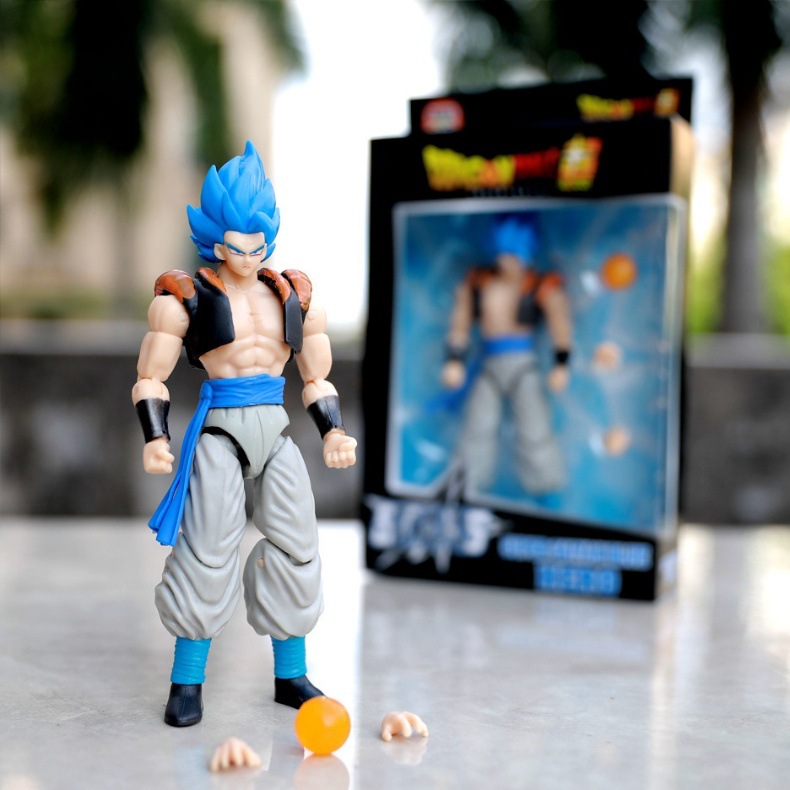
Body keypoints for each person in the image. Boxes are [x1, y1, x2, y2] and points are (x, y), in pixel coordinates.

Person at [132, 141, 357, 727]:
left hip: (275, 431)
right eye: (239, 244)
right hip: (221, 435)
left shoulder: (293, 296)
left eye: (260, 243)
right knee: (208, 552)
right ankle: (187, 681)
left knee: (298, 545)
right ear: (215, 240)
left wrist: (332, 432)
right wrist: (155, 438)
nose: (250, 254)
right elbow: (151, 377)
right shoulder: (185, 300)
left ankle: (291, 674)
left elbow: (316, 376)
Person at [441, 216, 571, 496]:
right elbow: (460, 321)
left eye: (513, 254)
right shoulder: (481, 283)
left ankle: (545, 485)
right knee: (478, 425)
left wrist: (561, 362)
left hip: (523, 364)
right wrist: (454, 358)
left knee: (534, 426)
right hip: (489, 363)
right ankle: (469, 485)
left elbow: (559, 321)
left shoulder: (539, 285)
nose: (505, 261)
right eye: (502, 253)